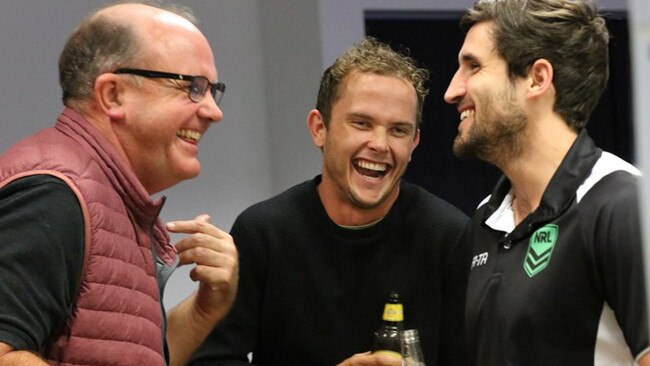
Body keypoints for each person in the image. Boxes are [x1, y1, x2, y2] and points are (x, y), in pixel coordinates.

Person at [190, 37, 469, 366]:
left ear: (414, 143)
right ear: (319, 128)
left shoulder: (449, 236)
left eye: (398, 130)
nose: (380, 144)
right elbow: (213, 360)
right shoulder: (264, 232)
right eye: (362, 123)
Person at [0, 2, 238, 366]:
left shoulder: (107, 198)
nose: (213, 111)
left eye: (211, 89)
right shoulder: (53, 194)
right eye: (192, 86)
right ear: (113, 94)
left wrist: (206, 311)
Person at [444, 0, 650, 364]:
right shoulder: (485, 219)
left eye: (473, 67)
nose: (452, 91)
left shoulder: (623, 205)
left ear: (537, 79)